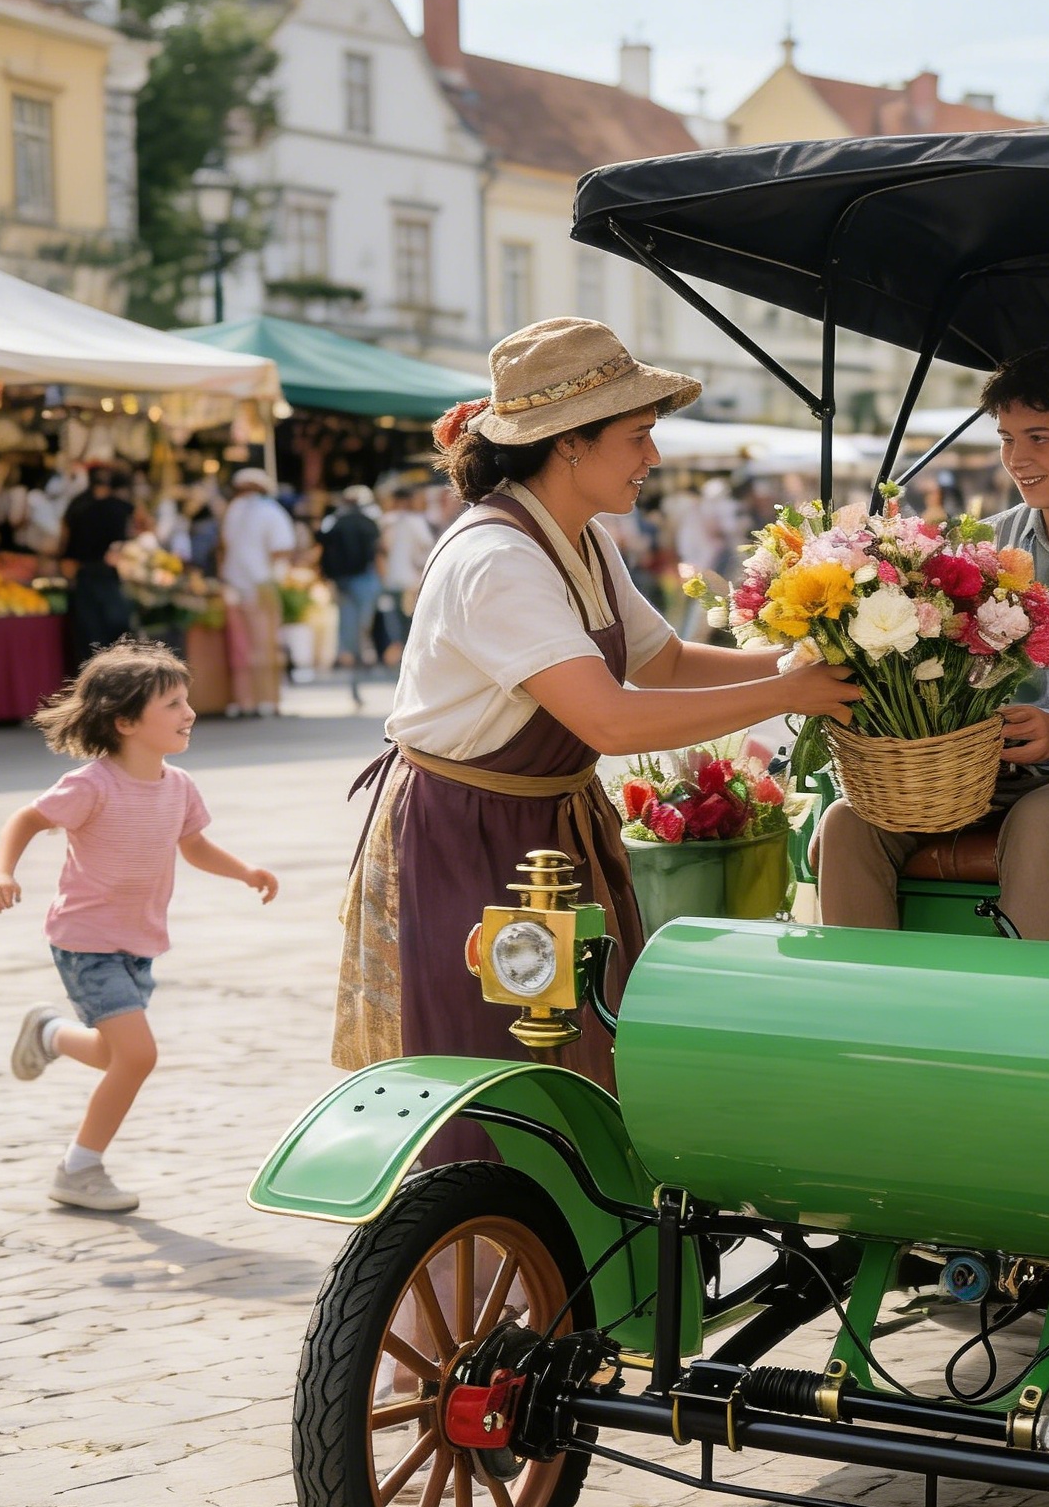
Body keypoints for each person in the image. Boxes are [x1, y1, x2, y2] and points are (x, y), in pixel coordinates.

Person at [335, 316, 860, 1103]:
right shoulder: (498, 557)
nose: (654, 457)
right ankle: (480, 1226)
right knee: (488, 1078)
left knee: (578, 1059)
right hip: (467, 836)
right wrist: (787, 692)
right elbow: (609, 721)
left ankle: (564, 1225)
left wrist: (807, 660)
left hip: (545, 827)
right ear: (570, 441)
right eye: (639, 434)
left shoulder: (581, 538)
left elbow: (667, 662)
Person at [816, 344, 1049, 942]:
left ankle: (1024, 1019)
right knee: (848, 820)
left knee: (1042, 819)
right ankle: (865, 1008)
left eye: (1039, 438)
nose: (1016, 459)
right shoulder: (987, 545)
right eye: (1006, 439)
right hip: (981, 767)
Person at [0, 641, 278, 1214]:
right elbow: (26, 818)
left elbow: (192, 845)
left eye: (186, 700)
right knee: (138, 1056)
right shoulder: (91, 785)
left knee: (115, 1053)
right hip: (84, 940)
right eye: (172, 704)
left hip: (137, 943)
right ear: (124, 721)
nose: (188, 713)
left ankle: (47, 1035)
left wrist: (244, 871)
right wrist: (1, 871)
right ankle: (79, 1168)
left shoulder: (179, 785)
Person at [218, 467, 295, 716]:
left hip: (231, 584)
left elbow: (223, 547)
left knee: (240, 649)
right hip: (261, 585)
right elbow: (281, 549)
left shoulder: (232, 510)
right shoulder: (270, 511)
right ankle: (268, 701)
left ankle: (244, 701)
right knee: (266, 646)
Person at [60, 465, 135, 662]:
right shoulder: (121, 506)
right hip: (109, 579)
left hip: (84, 578)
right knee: (116, 647)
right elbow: (143, 528)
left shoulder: (77, 505)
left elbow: (64, 541)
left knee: (89, 649)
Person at [317, 484, 382, 670]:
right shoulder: (370, 519)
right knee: (364, 619)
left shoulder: (333, 520)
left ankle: (346, 655)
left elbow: (322, 541)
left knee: (346, 617)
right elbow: (377, 549)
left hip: (341, 578)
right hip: (364, 577)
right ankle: (360, 654)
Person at [376, 484, 434, 665]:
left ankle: (400, 655)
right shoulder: (415, 521)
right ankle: (411, 660)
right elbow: (427, 547)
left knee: (396, 624)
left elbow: (381, 551)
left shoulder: (386, 521)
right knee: (411, 622)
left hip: (391, 579)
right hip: (410, 580)